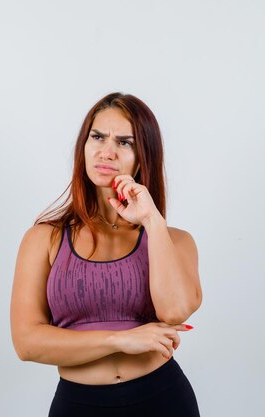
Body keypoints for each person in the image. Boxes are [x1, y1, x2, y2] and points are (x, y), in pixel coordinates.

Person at [10, 92, 202, 417]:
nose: (107, 151)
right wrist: (119, 340)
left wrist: (152, 221)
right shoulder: (44, 239)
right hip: (79, 405)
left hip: (163, 400)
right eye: (97, 137)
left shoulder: (174, 240)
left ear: (143, 159)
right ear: (83, 146)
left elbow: (174, 311)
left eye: (124, 142)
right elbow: (27, 343)